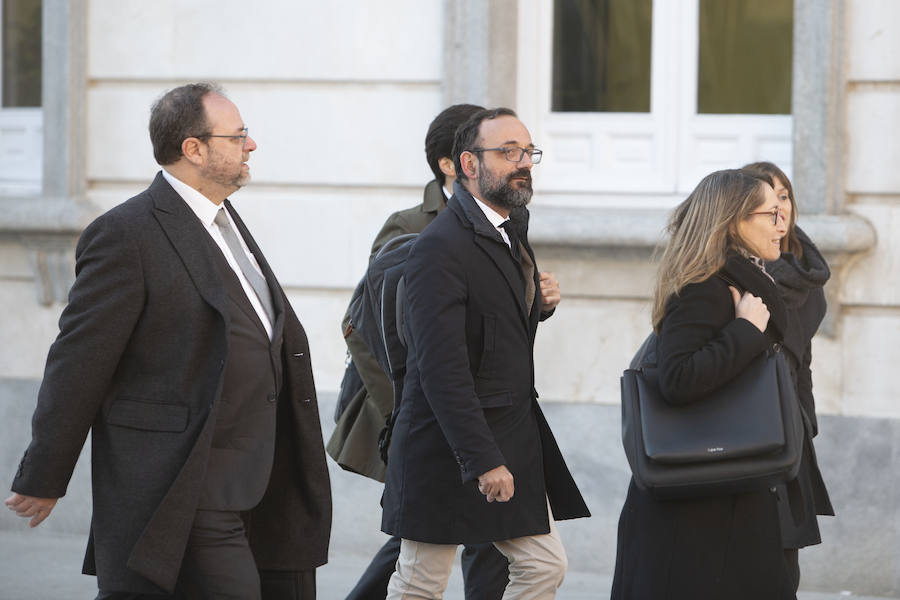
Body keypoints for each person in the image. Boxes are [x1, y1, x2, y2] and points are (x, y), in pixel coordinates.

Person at [4, 83, 332, 599]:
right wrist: (45, 473)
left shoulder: (228, 222)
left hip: (267, 480)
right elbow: (79, 361)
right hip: (183, 481)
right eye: (239, 134)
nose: (251, 145)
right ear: (194, 149)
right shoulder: (126, 234)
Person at [380, 107, 590, 600]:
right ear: (468, 165)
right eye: (508, 152)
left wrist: (537, 304)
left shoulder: (510, 229)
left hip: (505, 435)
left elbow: (490, 327)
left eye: (528, 151)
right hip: (444, 444)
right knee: (420, 583)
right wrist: (480, 459)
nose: (523, 162)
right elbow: (440, 365)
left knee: (543, 566)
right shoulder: (440, 246)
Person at [330, 104, 513, 600]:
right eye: (493, 149)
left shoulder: (502, 219)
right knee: (422, 543)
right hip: (427, 411)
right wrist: (404, 411)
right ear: (451, 164)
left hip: (484, 412)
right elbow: (368, 326)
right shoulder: (411, 225)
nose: (510, 161)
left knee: (488, 538)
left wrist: (538, 301)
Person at [610, 169, 797, 599]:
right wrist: (746, 331)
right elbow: (678, 379)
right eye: (770, 213)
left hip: (725, 490)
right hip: (698, 507)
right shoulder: (705, 288)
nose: (782, 223)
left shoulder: (739, 281)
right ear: (734, 222)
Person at [742, 161, 834, 591]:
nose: (779, 209)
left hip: (790, 425)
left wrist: (806, 421)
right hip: (749, 426)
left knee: (786, 561)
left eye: (784, 196)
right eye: (767, 200)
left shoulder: (804, 271)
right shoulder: (741, 272)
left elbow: (804, 357)